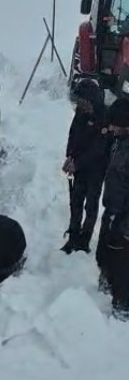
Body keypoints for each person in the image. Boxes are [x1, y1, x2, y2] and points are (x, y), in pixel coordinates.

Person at [60, 79, 111, 254]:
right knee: (75, 201)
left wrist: (77, 163)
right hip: (79, 166)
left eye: (81, 101)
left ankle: (85, 239)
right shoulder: (81, 112)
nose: (78, 105)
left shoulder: (103, 116)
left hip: (96, 169)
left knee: (90, 204)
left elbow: (99, 148)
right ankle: (73, 235)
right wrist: (69, 156)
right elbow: (73, 134)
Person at [95, 97, 129, 318]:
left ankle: (123, 306)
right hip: (112, 211)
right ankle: (106, 285)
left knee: (123, 264)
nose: (111, 128)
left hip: (124, 218)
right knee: (105, 254)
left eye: (114, 124)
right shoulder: (119, 142)